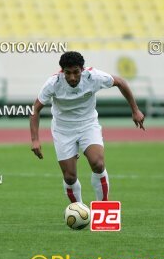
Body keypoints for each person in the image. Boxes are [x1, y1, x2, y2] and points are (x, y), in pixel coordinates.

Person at [30, 51, 145, 203]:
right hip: (63, 130)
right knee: (69, 177)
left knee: (98, 163)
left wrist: (135, 110)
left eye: (76, 72)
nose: (72, 77)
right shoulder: (53, 83)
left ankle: (102, 206)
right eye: (68, 73)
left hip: (88, 125)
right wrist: (35, 140)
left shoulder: (94, 77)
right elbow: (35, 109)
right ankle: (79, 210)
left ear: (82, 70)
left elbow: (121, 82)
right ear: (62, 71)